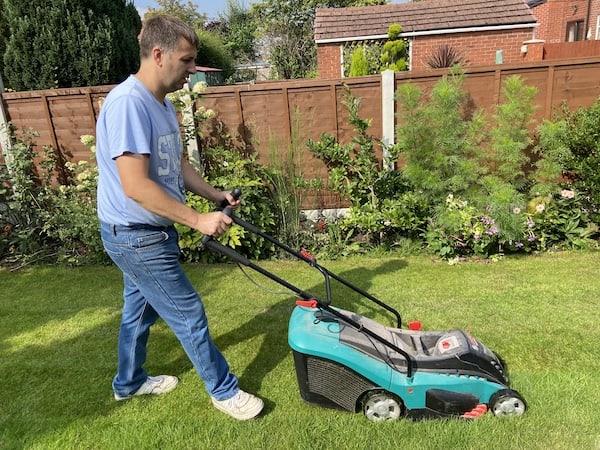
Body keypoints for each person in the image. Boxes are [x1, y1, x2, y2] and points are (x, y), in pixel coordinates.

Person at [95, 14, 263, 421]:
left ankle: (129, 383)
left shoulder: (162, 105)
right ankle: (223, 392)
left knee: (138, 312)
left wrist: (214, 195)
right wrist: (198, 220)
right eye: (187, 61)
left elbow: (178, 165)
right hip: (135, 234)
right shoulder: (128, 104)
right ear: (158, 54)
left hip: (143, 232)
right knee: (187, 312)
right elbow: (135, 185)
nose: (192, 70)